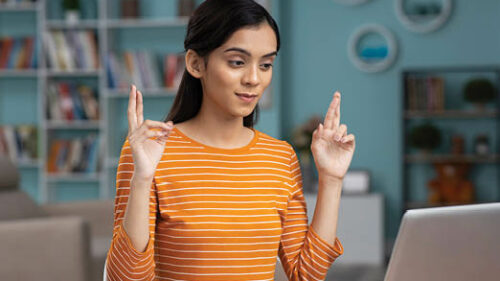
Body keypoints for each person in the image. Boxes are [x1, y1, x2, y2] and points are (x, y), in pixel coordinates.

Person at [105, 0, 356, 280]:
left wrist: (331, 181)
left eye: (266, 65)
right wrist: (141, 179)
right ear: (196, 63)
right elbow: (126, 279)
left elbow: (306, 275)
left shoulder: (280, 158)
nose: (253, 79)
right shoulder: (149, 153)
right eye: (237, 62)